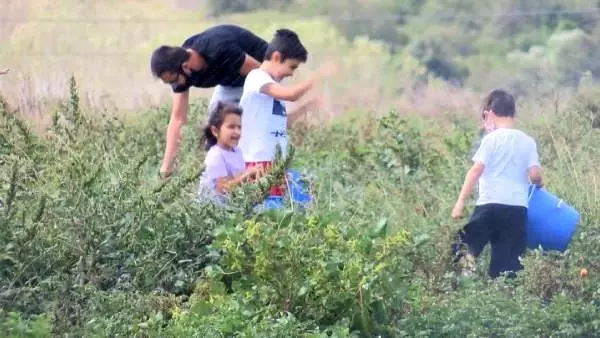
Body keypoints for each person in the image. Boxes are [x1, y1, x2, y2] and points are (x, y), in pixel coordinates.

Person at [150, 25, 269, 179]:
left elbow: (262, 75)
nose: (173, 85)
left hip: (259, 71)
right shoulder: (181, 73)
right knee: (216, 128)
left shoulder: (219, 48)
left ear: (185, 67)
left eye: (172, 80)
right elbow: (178, 119)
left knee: (250, 128)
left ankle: (258, 175)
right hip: (230, 82)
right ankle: (221, 181)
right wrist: (166, 167)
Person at [450, 89, 544, 279]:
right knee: (507, 266)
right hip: (516, 210)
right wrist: (539, 184)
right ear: (512, 113)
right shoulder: (527, 141)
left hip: (489, 205)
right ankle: (502, 296)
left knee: (465, 246)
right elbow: (535, 175)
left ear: (490, 112)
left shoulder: (490, 139)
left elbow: (475, 170)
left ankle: (464, 279)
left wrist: (459, 202)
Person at [238, 28, 332, 196]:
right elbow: (292, 95)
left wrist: (309, 106)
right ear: (276, 57)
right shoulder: (257, 78)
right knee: (262, 212)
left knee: (278, 213)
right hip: (257, 162)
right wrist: (317, 77)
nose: (291, 73)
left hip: (276, 162)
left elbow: (284, 121)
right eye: (292, 67)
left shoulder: (273, 88)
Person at [196, 101, 264, 205]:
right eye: (231, 127)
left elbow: (238, 179)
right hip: (210, 213)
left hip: (229, 208)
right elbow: (223, 188)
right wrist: (247, 175)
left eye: (239, 127)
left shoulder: (237, 151)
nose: (237, 132)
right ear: (215, 131)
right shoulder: (216, 155)